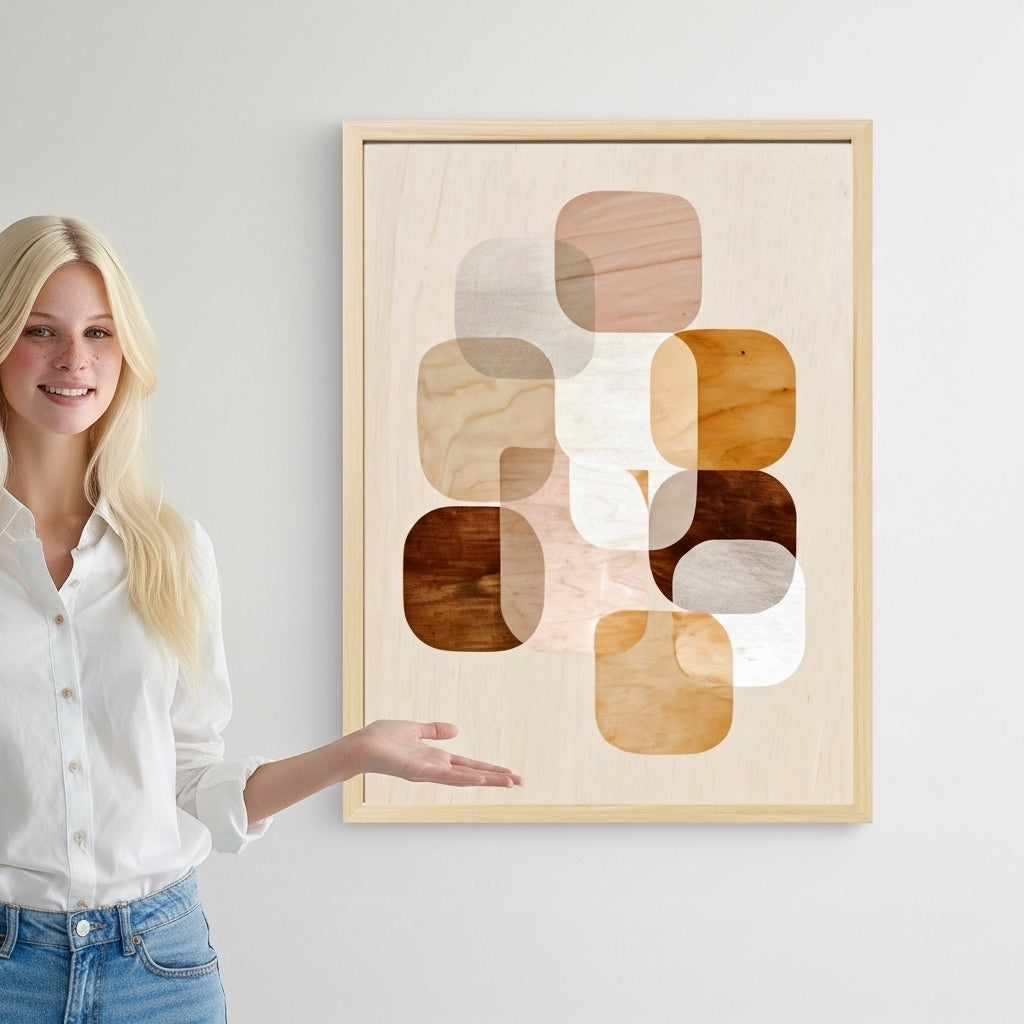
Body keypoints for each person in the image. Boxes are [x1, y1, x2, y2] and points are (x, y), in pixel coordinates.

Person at [0, 215, 522, 1023]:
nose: (75, 359)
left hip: (158, 967)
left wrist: (355, 753)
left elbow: (189, 772)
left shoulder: (171, 550)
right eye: (42, 330)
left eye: (99, 332)